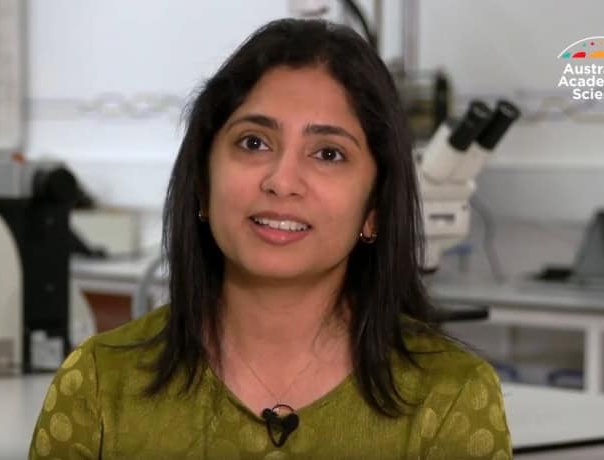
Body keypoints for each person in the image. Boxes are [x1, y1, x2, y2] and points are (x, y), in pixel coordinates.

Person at [30, 18, 511, 460]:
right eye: (254, 143)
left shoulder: (450, 398)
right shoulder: (97, 385)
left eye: (328, 153)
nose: (282, 182)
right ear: (203, 182)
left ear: (374, 209)